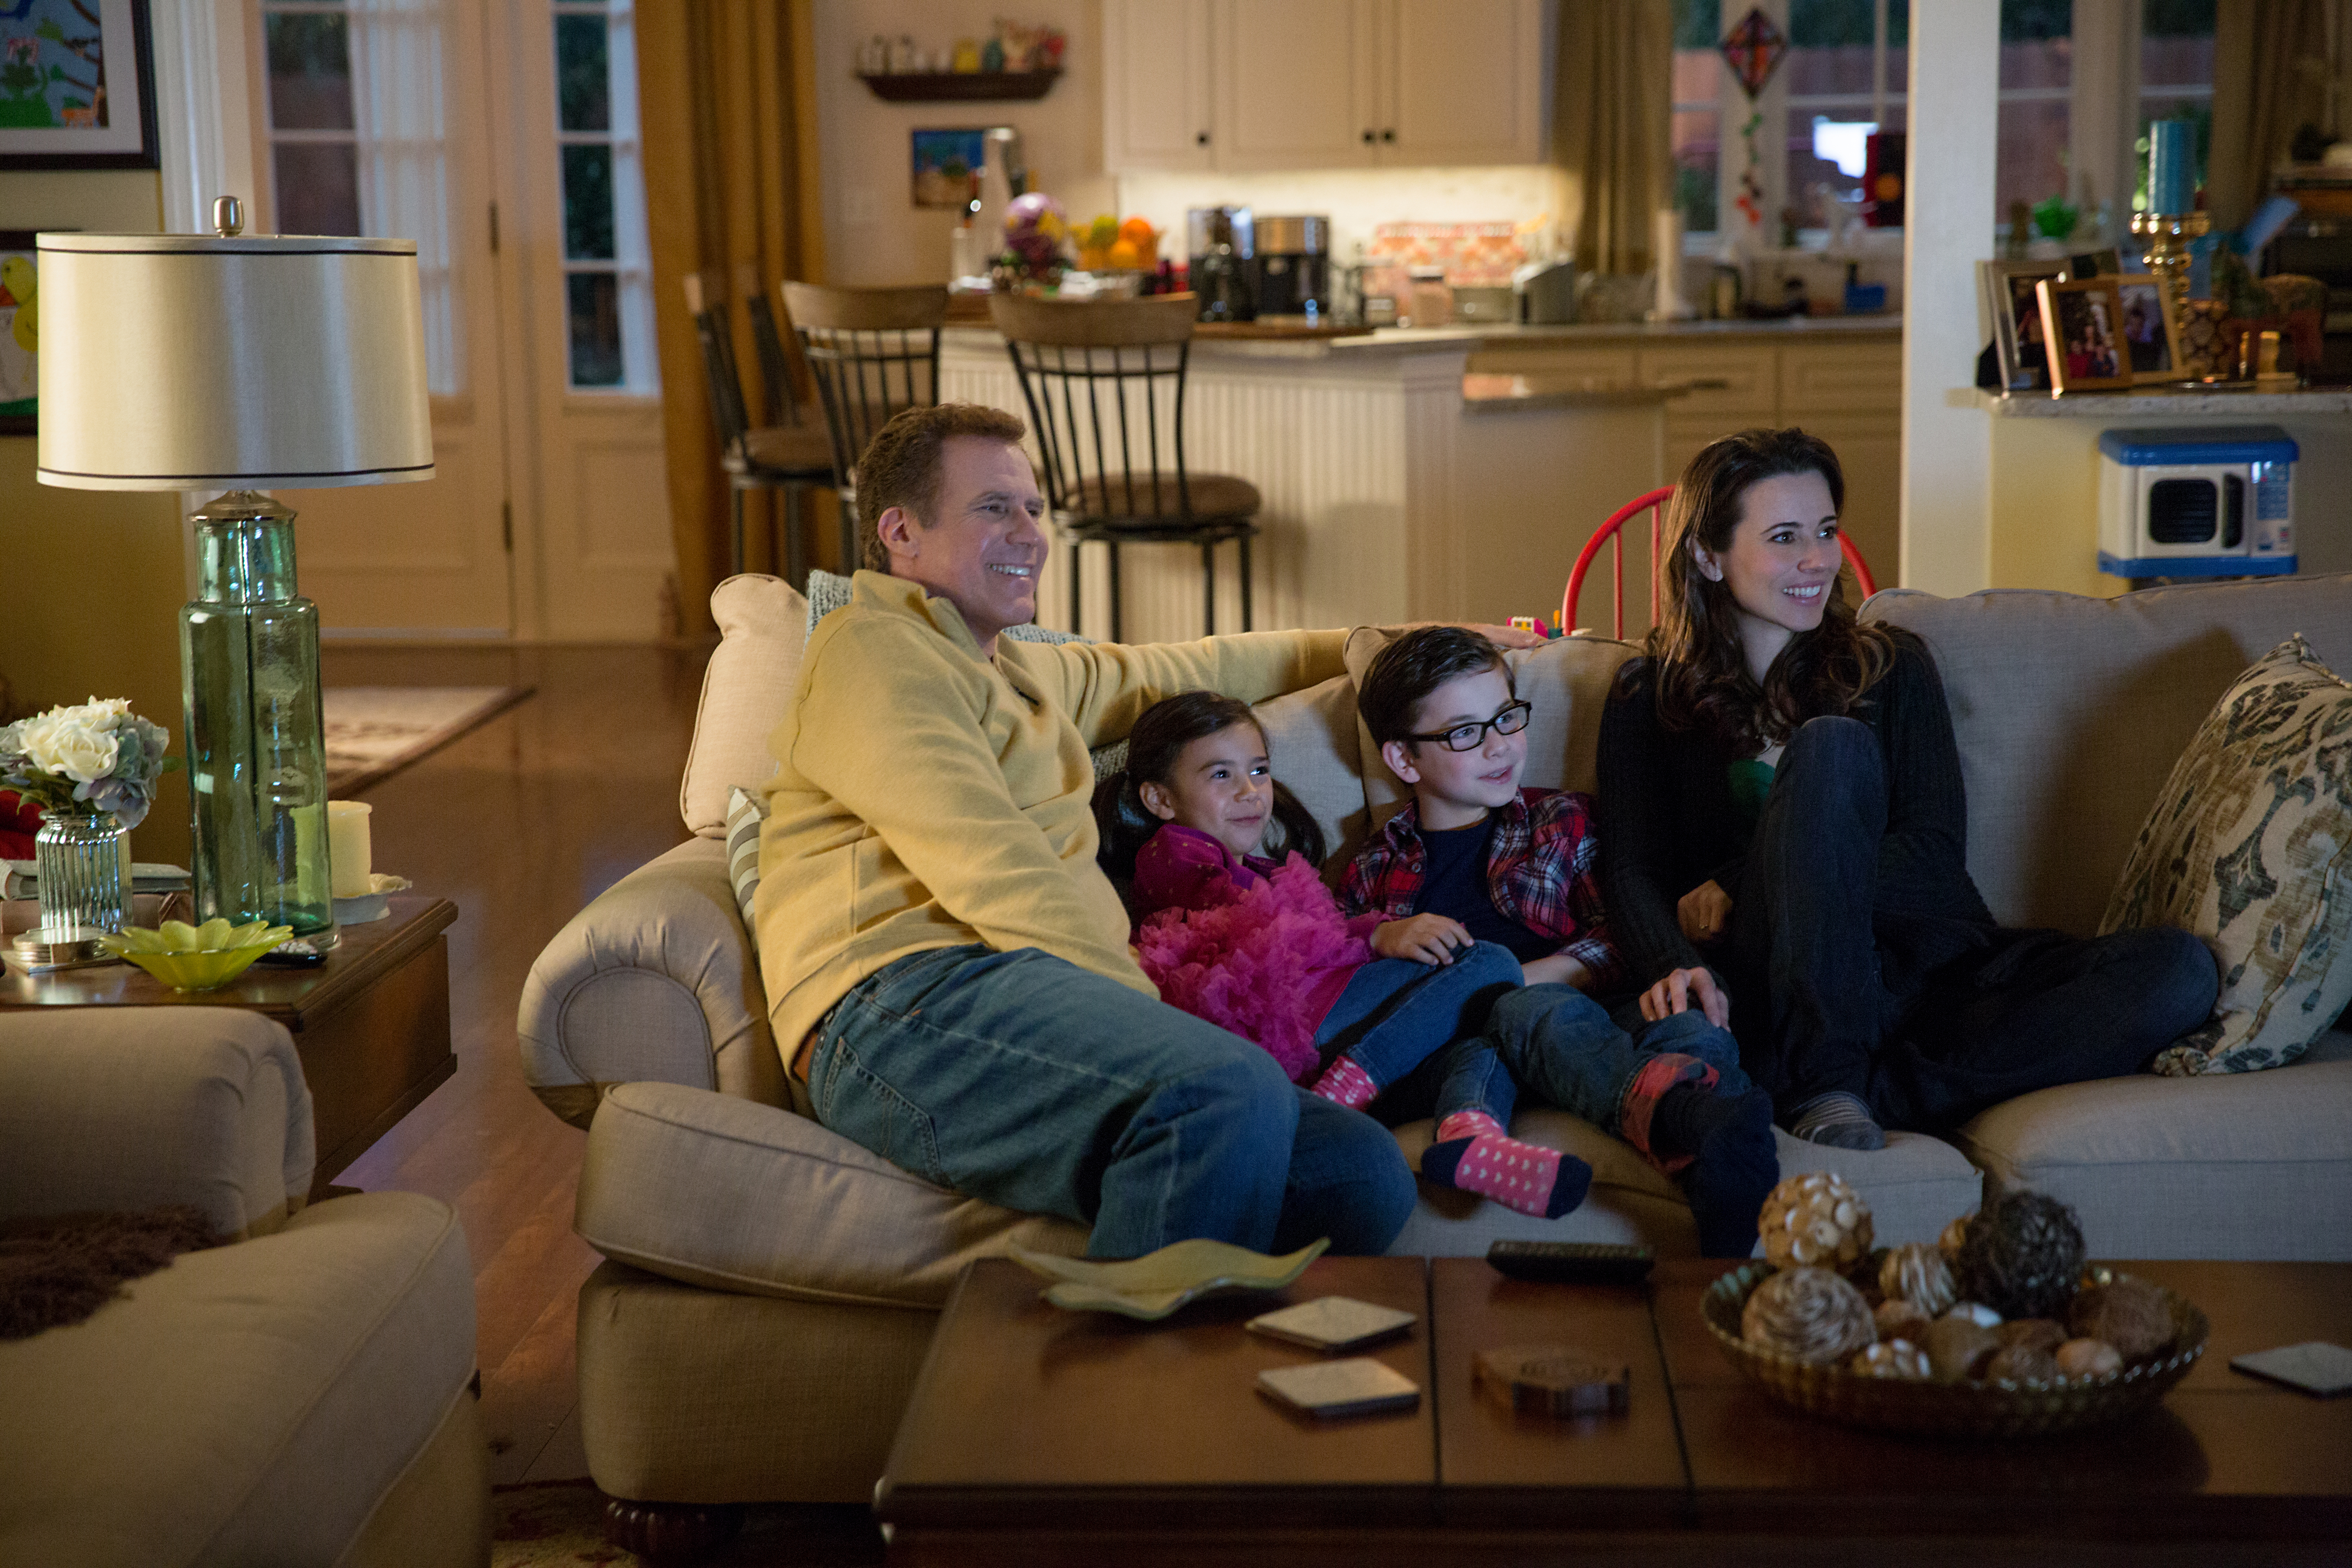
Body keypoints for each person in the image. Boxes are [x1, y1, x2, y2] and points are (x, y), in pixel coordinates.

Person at [757, 401, 1537, 1261]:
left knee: (1359, 1174)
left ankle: (1198, 1361)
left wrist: (1395, 641)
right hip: (894, 1006)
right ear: (900, 530)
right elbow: (997, 870)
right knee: (1223, 1085)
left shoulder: (1018, 668)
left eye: (1033, 509)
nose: (1029, 532)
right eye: (993, 508)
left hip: (1012, 995)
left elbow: (1190, 669)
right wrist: (1154, 1030)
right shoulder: (873, 648)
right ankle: (1117, 1390)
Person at [1597, 427, 2217, 1152]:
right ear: (1708, 555)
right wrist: (1681, 966)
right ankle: (1829, 1079)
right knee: (1831, 747)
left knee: (2179, 973)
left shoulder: (1891, 667)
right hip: (1780, 989)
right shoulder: (1649, 695)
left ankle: (1855, 1091)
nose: (1815, 560)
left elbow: (1930, 856)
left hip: (1928, 982)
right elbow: (1631, 867)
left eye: (1826, 531)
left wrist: (1741, 881)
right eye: (1784, 536)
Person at [1344, 627, 1781, 1256]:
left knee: (1691, 1023)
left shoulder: (1562, 820)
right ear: (1405, 760)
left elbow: (1618, 933)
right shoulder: (1373, 868)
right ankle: (1686, 1121)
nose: (1499, 747)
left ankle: (1721, 1184)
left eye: (1505, 718)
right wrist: (1384, 937)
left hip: (1596, 1016)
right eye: (1466, 733)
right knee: (1524, 1008)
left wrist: (1544, 972)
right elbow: (1341, 976)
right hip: (1489, 1042)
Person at [1098, 690, 1586, 1219]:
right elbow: (1269, 928)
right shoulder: (1174, 854)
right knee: (1490, 963)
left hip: (1324, 1033)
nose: (1250, 791)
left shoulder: (1262, 868)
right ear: (1160, 800)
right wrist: (1376, 934)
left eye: (1259, 771)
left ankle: (1470, 1131)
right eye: (1221, 776)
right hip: (1281, 1024)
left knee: (1487, 1023)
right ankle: (1348, 1089)